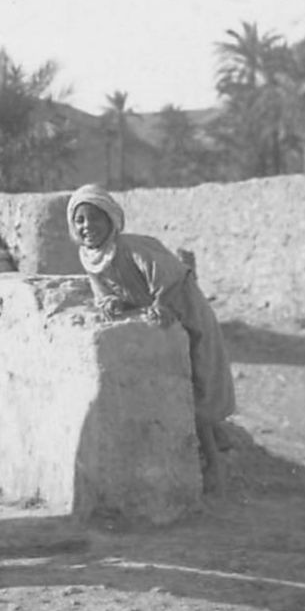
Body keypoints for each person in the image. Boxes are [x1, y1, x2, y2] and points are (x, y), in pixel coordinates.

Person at [66, 184, 235, 491]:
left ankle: (216, 464)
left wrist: (161, 304)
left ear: (111, 221)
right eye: (80, 220)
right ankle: (212, 451)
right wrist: (113, 303)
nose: (87, 227)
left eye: (95, 219)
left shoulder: (132, 246)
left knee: (203, 379)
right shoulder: (91, 257)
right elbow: (103, 291)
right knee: (182, 387)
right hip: (160, 317)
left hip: (187, 311)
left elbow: (171, 276)